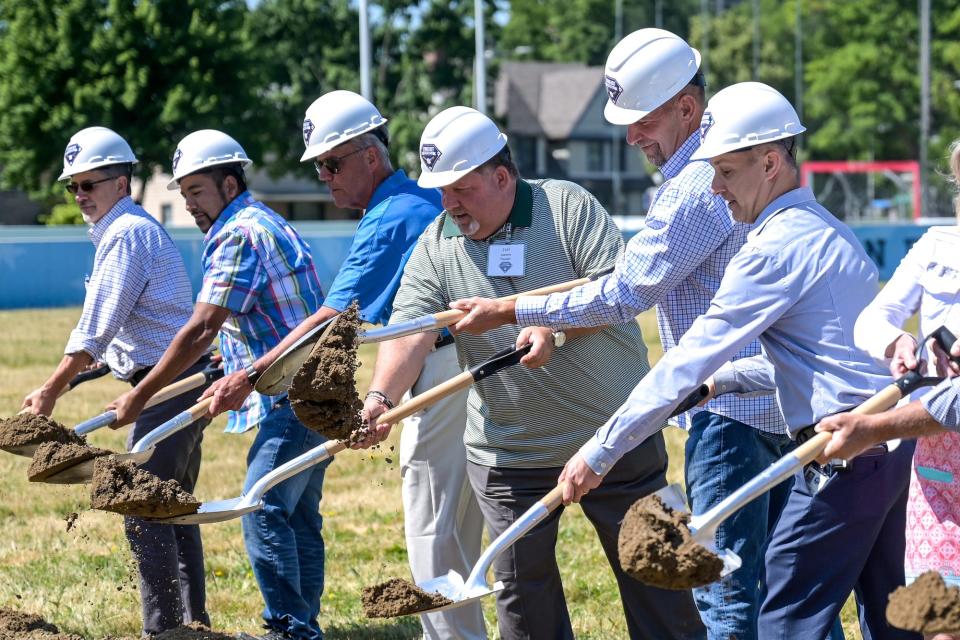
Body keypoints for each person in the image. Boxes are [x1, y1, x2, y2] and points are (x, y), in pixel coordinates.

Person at [449, 28, 787, 640]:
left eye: (643, 120)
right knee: (782, 592)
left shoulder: (692, 188)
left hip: (730, 409)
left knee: (725, 598)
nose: (632, 137)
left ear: (688, 107)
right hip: (776, 400)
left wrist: (513, 311)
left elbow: (625, 293)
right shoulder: (735, 170)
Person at [555, 82, 919, 640]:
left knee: (784, 617)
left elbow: (686, 360)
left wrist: (599, 451)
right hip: (889, 448)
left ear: (770, 162)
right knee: (891, 615)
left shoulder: (772, 249)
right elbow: (819, 360)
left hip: (846, 455)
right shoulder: (828, 231)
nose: (716, 189)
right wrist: (727, 380)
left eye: (725, 172)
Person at [360, 105, 704, 639]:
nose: (449, 204)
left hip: (613, 435)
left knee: (656, 572)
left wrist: (556, 330)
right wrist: (382, 397)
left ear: (501, 176)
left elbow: (615, 290)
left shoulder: (567, 209)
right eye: (442, 191)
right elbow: (411, 329)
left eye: (461, 189)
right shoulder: (437, 242)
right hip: (507, 454)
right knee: (523, 597)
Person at [198, 90, 485, 640]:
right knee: (463, 529)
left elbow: (334, 318)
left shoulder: (389, 218)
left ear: (370, 156)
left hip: (445, 371)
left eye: (332, 163)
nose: (324, 177)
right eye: (320, 166)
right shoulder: (415, 202)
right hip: (467, 366)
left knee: (431, 532)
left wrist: (249, 376)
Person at [106, 130, 327, 640]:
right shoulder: (267, 221)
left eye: (198, 192)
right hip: (319, 389)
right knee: (297, 514)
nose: (189, 205)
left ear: (229, 184)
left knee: (264, 503)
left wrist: (139, 395)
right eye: (183, 194)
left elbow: (203, 326)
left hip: (291, 394)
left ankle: (292, 631)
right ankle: (303, 627)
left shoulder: (236, 233)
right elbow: (250, 321)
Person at [21, 126, 213, 637]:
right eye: (74, 186)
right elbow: (133, 327)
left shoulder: (127, 234)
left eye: (90, 184)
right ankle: (191, 624)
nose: (81, 195)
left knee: (142, 505)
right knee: (171, 505)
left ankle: (165, 630)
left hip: (165, 388)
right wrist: (94, 373)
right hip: (175, 379)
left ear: (121, 182)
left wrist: (50, 389)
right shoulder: (124, 230)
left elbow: (95, 328)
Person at [817, 139, 960, 640]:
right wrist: (896, 340)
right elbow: (872, 319)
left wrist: (873, 427)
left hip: (932, 427)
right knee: (941, 621)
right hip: (941, 474)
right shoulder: (938, 247)